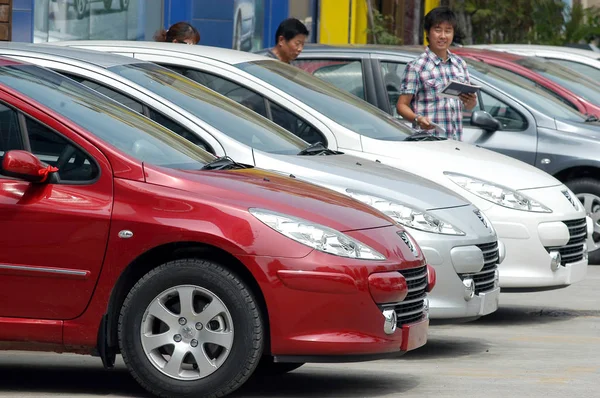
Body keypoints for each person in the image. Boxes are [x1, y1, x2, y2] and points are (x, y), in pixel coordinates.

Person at [396, 7, 477, 141]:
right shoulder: (416, 66)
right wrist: (417, 119)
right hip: (428, 142)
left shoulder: (459, 64)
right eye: (438, 30)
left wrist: (471, 102)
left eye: (448, 31)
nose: (443, 36)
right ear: (428, 33)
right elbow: (401, 105)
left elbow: (467, 106)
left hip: (455, 142)